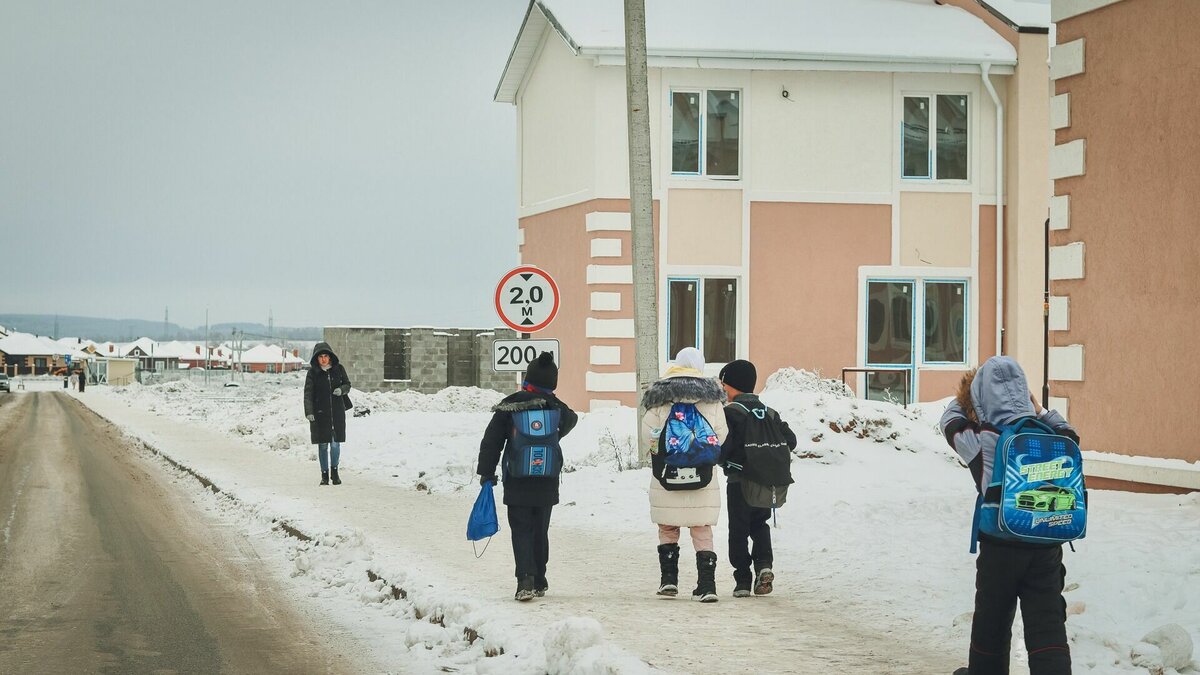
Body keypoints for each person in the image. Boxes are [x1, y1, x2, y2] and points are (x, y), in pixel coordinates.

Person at [941, 357, 1078, 675]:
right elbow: (1070, 432)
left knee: (992, 620)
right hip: (1044, 544)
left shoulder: (981, 441)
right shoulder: (1053, 436)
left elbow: (949, 420)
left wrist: (969, 399)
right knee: (1047, 626)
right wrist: (1038, 409)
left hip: (999, 548)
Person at [477, 351, 577, 601]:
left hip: (517, 478)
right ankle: (540, 579)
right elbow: (571, 420)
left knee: (521, 529)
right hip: (546, 479)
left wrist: (486, 473)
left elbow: (491, 441)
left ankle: (525, 580)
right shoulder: (557, 408)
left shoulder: (510, 406)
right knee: (540, 530)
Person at [640, 347, 728, 602]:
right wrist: (698, 450)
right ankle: (707, 584)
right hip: (702, 473)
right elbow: (720, 434)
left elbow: (649, 435)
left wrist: (663, 452)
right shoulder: (712, 398)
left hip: (668, 472)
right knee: (702, 529)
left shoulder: (659, 397)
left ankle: (669, 581)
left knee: (668, 527)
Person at [718, 359, 796, 598]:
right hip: (768, 483)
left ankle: (742, 580)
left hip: (740, 481)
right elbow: (790, 441)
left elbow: (723, 446)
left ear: (730, 385)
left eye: (723, 384)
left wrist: (725, 462)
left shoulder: (731, 413)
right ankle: (764, 565)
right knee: (759, 525)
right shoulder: (770, 413)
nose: (722, 389)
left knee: (738, 530)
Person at [304, 343, 352, 486]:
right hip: (320, 414)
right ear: (316, 359)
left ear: (330, 357)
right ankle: (324, 475)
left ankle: (335, 473)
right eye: (320, 357)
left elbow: (347, 384)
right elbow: (308, 394)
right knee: (323, 445)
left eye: (326, 356)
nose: (324, 359)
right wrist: (309, 412)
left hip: (336, 413)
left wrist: (342, 390)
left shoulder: (339, 369)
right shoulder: (312, 373)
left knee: (335, 444)